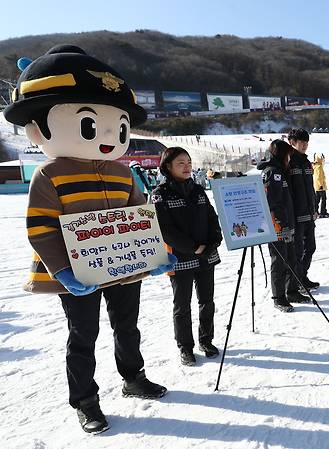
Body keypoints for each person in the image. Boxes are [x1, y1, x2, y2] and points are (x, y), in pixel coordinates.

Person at [4, 44, 171, 434]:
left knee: (128, 326)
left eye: (120, 128)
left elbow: (141, 217)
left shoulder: (123, 172)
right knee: (83, 334)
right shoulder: (50, 174)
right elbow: (41, 227)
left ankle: (133, 377)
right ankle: (84, 399)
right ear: (38, 129)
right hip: (79, 272)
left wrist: (156, 252)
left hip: (125, 267)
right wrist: (62, 271)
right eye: (92, 126)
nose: (112, 139)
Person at [152, 147, 222, 366]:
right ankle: (185, 347)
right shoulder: (160, 195)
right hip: (179, 258)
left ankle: (206, 340)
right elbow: (165, 229)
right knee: (182, 306)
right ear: (167, 167)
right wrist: (193, 248)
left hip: (206, 256)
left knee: (207, 301)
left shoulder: (198, 190)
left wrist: (213, 242)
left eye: (189, 163)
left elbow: (212, 218)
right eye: (181, 163)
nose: (187, 167)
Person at [258, 140, 309, 312]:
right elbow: (273, 202)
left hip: (288, 224)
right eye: (288, 156)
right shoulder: (273, 173)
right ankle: (278, 297)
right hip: (277, 226)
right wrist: (281, 223)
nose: (289, 159)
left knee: (292, 259)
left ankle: (292, 291)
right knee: (279, 262)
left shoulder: (280, 171)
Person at [288, 129, 319, 292]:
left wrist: (315, 208)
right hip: (296, 215)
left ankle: (302, 276)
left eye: (306, 142)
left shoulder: (306, 162)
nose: (305, 145)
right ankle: (295, 280)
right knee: (297, 250)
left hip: (309, 213)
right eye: (301, 142)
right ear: (292, 142)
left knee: (311, 247)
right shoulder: (288, 162)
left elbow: (310, 189)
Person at [313, 153, 329, 217]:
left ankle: (316, 211)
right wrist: (321, 185)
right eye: (322, 159)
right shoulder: (319, 167)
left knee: (317, 199)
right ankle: (323, 212)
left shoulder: (316, 166)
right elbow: (319, 177)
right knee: (323, 199)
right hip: (320, 186)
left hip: (317, 186)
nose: (323, 160)